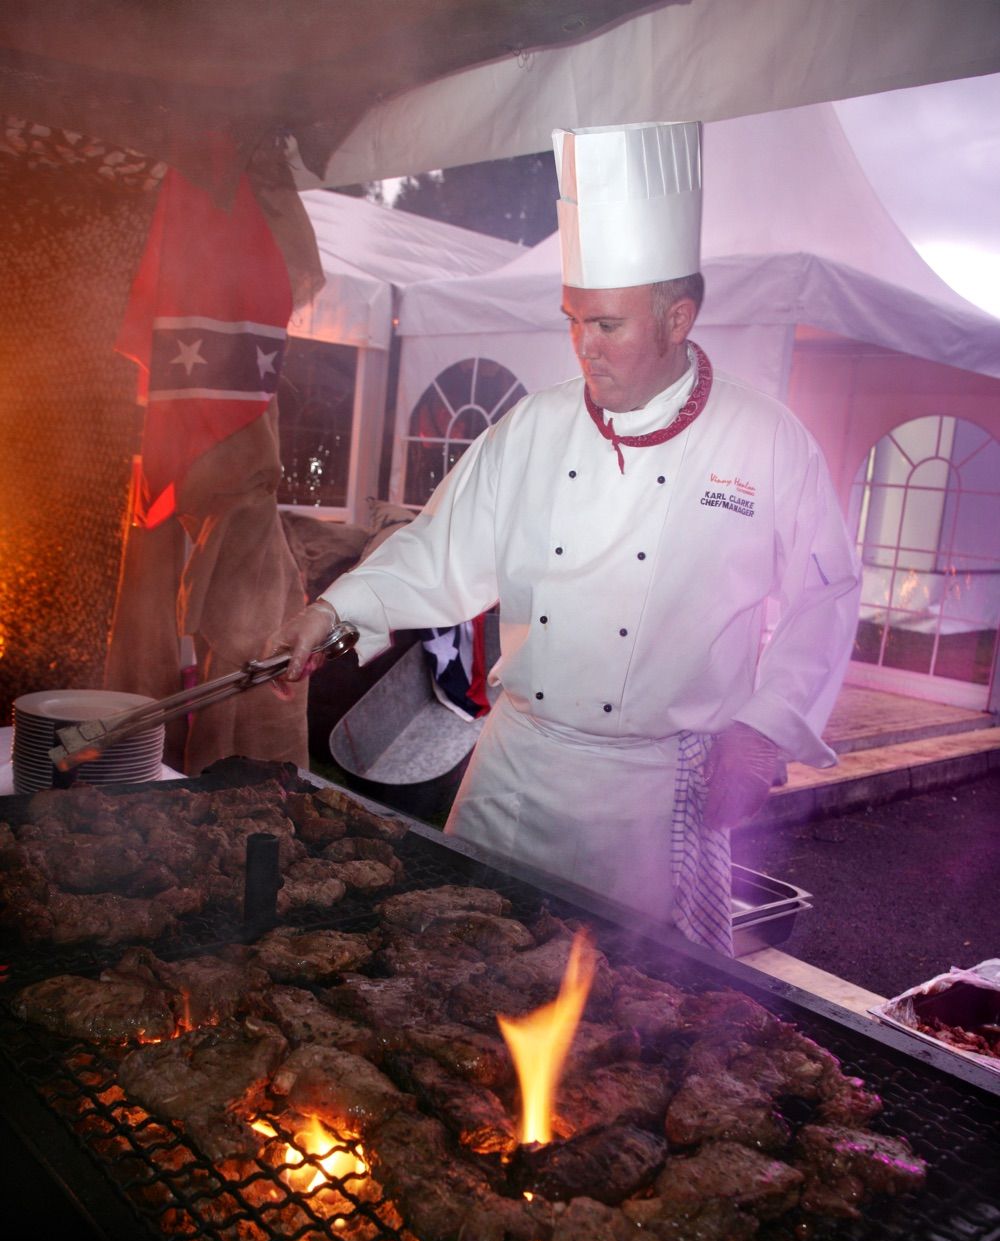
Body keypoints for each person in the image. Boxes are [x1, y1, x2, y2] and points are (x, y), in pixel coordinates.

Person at [274, 121, 861, 953]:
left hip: (655, 796)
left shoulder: (766, 442)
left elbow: (827, 595)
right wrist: (331, 613)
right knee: (455, 985)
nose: (583, 346)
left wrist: (763, 728)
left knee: (626, 1027)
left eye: (607, 325)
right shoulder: (536, 428)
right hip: (517, 772)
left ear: (678, 317)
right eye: (572, 320)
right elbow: (443, 550)